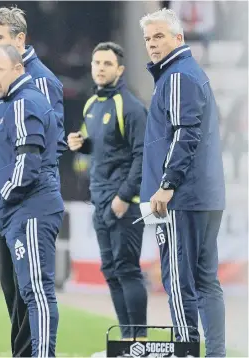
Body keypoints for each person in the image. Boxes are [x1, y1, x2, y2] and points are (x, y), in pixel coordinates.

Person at [139, 8, 226, 356]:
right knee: (207, 282)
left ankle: (186, 353)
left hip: (181, 197)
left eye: (159, 36)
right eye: (147, 39)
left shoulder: (176, 76)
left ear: (179, 38)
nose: (152, 44)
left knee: (178, 282)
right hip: (206, 195)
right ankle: (216, 353)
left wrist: (167, 183)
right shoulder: (190, 74)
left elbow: (185, 132)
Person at [0, 7, 65, 356]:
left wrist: (12, 188)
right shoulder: (0, 84)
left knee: (30, 289)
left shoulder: (36, 83)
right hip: (6, 202)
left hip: (27, 200)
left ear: (19, 40)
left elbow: (49, 143)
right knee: (14, 292)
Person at [67, 42, 148, 341]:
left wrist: (124, 197)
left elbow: (143, 156)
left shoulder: (132, 107)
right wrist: (82, 144)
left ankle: (139, 340)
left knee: (127, 270)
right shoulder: (92, 105)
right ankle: (127, 338)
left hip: (124, 202)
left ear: (120, 69)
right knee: (111, 270)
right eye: (96, 63)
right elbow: (102, 148)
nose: (100, 68)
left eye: (107, 64)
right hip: (98, 199)